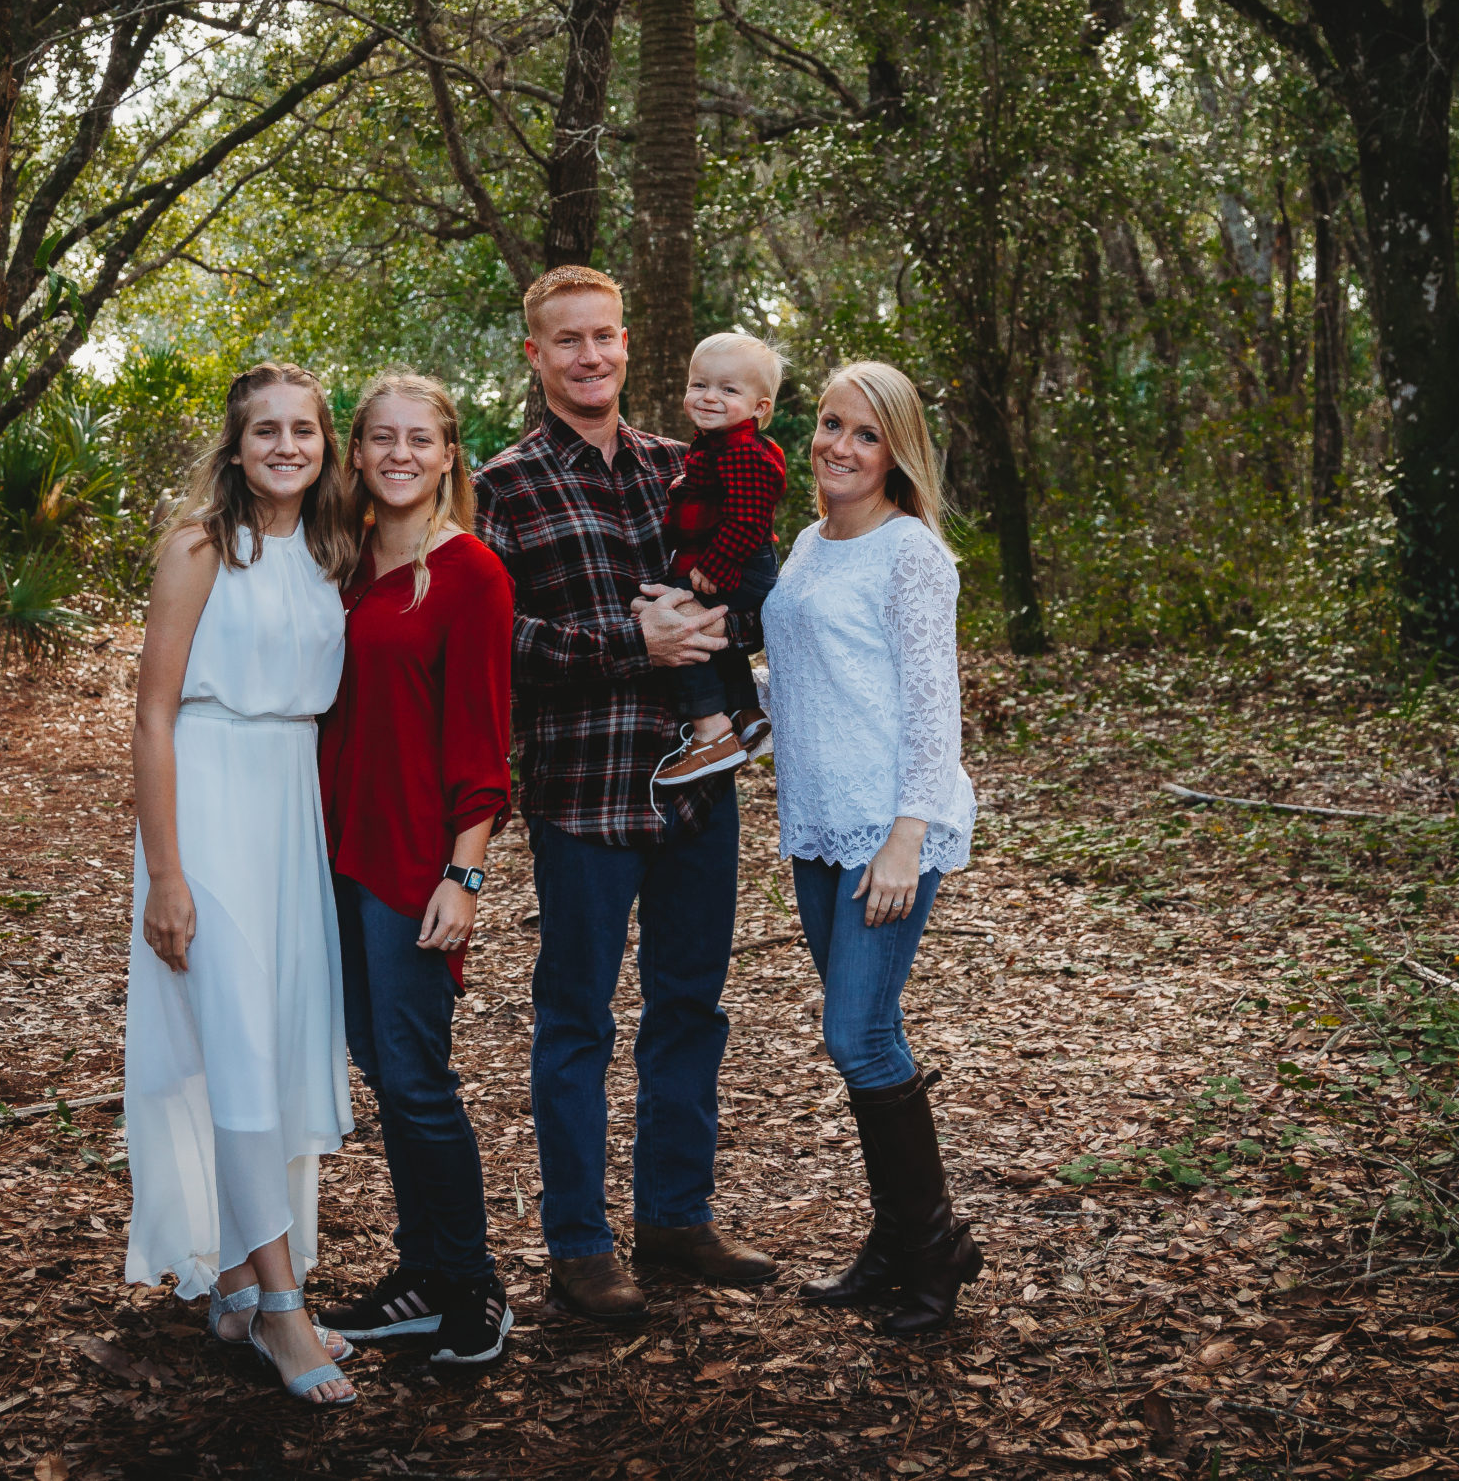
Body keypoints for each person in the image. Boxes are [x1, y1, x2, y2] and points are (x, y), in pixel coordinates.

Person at [474, 265, 779, 1326]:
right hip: (584, 794)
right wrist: (627, 641)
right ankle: (579, 1243)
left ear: (624, 342)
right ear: (536, 356)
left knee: (691, 1007)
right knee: (575, 1021)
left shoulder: (690, 464)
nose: (590, 355)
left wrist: (725, 627)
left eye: (604, 336)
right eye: (567, 341)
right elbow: (490, 644)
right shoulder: (500, 487)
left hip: (699, 786)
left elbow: (748, 577)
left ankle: (675, 1219)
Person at [122, 363, 359, 1406]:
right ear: (234, 444)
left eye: (304, 430)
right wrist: (167, 872)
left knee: (270, 1045)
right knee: (240, 1047)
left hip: (287, 808)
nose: (286, 446)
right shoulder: (198, 547)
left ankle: (234, 1274)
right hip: (210, 806)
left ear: (325, 445)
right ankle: (281, 1312)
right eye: (266, 430)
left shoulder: (327, 550)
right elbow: (153, 717)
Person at [763, 361, 983, 1336]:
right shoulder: (808, 544)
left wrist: (905, 840)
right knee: (867, 1041)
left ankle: (932, 1248)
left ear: (896, 451)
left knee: (856, 1034)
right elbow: (815, 679)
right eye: (828, 425)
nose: (837, 446)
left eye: (863, 433)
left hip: (889, 827)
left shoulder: (911, 555)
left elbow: (936, 712)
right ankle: (900, 1240)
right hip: (814, 822)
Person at [315, 372, 520, 1365]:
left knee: (417, 1076)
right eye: (381, 439)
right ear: (354, 453)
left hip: (410, 864)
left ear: (448, 457)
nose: (399, 455)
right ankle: (424, 1273)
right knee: (381, 1068)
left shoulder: (471, 573)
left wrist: (463, 878)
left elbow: (483, 749)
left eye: (420, 440)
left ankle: (472, 1285)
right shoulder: (334, 564)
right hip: (325, 851)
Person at [650, 332, 787, 789]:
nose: (709, 397)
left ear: (760, 408)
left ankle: (711, 732)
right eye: (699, 384)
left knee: (678, 621)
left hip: (738, 563)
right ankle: (747, 713)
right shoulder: (714, 444)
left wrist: (714, 566)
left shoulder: (743, 451)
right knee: (708, 628)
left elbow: (748, 520)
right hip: (727, 559)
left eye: (729, 390)